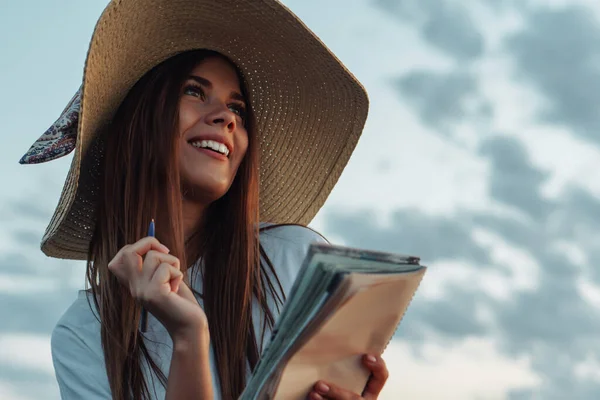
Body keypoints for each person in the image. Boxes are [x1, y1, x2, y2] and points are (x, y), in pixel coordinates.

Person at [19, 0, 389, 399]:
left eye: (238, 109)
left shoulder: (295, 260)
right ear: (136, 125)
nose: (227, 118)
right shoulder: (84, 333)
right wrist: (187, 336)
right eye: (195, 91)